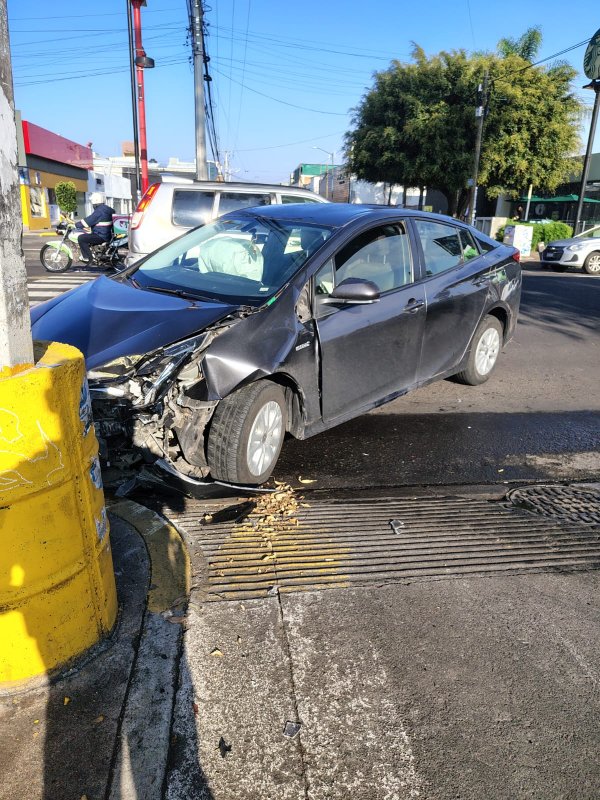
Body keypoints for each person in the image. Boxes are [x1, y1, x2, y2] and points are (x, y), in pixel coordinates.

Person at [74, 192, 115, 264]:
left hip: (101, 235)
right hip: (108, 234)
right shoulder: (108, 209)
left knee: (81, 238)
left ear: (95, 201)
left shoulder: (99, 211)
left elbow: (88, 221)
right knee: (88, 235)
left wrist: (75, 225)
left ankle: (87, 257)